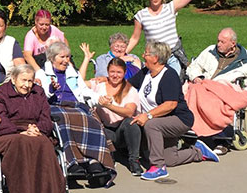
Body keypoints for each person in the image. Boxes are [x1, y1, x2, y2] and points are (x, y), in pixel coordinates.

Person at [129, 41, 219, 181]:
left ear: (155, 58)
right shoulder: (145, 72)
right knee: (170, 159)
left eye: (146, 53)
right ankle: (198, 152)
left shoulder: (169, 75)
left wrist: (147, 115)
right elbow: (127, 85)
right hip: (161, 120)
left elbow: (170, 105)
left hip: (179, 119)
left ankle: (158, 167)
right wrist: (108, 80)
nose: (143, 56)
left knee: (151, 125)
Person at [0, 64, 71, 193]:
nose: (27, 85)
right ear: (13, 79)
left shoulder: (38, 93)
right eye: (23, 80)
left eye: (30, 81)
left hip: (35, 131)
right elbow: (0, 119)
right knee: (21, 143)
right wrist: (21, 131)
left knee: (44, 143)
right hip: (9, 133)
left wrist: (37, 129)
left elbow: (46, 118)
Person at [35, 42, 115, 184]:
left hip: (75, 105)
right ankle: (71, 162)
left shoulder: (73, 73)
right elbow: (40, 94)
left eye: (67, 57)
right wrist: (52, 89)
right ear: (52, 58)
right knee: (63, 120)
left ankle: (94, 160)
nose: (66, 60)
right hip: (54, 105)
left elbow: (84, 91)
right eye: (62, 57)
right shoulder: (42, 73)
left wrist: (99, 98)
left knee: (92, 120)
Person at [126, 0, 215, 76]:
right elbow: (134, 38)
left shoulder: (170, 8)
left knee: (174, 84)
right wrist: (121, 53)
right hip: (154, 59)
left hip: (173, 56)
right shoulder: (141, 15)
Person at [185, 28, 247, 153]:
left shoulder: (244, 61)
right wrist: (197, 76)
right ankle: (193, 130)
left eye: (223, 42)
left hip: (223, 89)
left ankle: (220, 139)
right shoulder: (209, 51)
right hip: (202, 84)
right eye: (218, 41)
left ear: (233, 44)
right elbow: (194, 66)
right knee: (191, 92)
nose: (218, 44)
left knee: (214, 103)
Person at [88, 58, 142, 175]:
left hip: (122, 130)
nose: (115, 75)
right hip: (105, 128)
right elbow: (79, 83)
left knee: (130, 122)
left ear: (124, 73)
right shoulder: (100, 84)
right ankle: (108, 157)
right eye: (112, 72)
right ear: (107, 72)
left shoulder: (129, 90)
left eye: (119, 72)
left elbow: (129, 112)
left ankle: (134, 160)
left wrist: (108, 105)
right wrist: (86, 59)